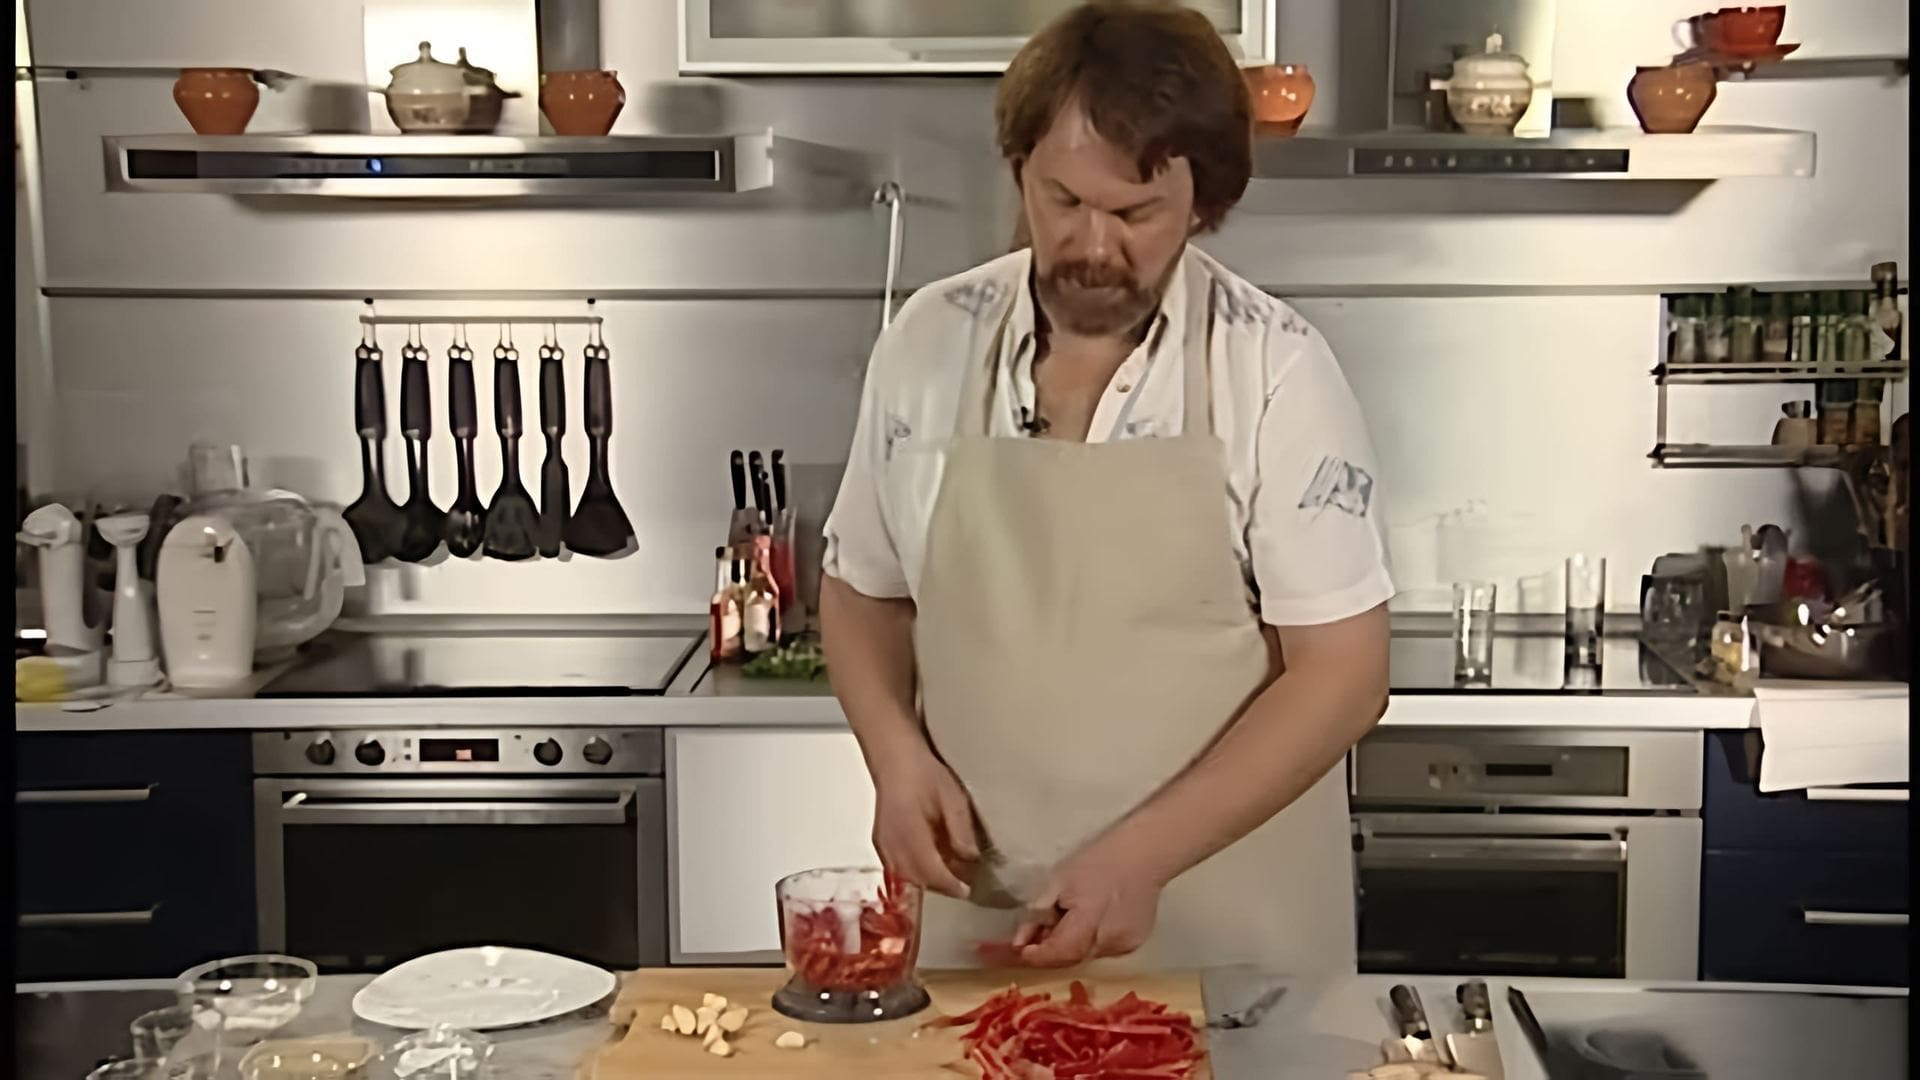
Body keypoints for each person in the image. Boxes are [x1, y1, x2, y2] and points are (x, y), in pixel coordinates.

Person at [820, 0, 1393, 973]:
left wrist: (1142, 856)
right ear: (1021, 171)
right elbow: (861, 591)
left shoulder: (1274, 368)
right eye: (1062, 201)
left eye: (1133, 215)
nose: (1091, 245)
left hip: (1227, 943)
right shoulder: (927, 341)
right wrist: (894, 758)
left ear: (1202, 202)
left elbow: (1344, 674)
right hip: (981, 926)